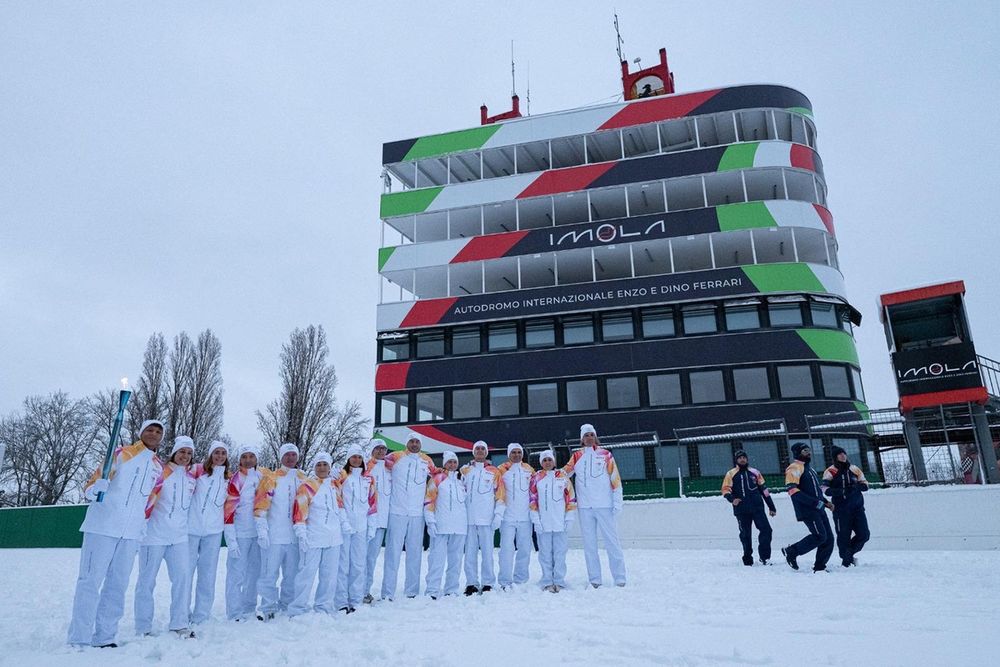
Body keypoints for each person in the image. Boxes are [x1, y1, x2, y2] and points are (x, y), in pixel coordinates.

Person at [68, 419, 165, 648]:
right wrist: (95, 490)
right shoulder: (122, 453)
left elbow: (151, 501)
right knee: (90, 581)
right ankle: (79, 637)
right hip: (103, 526)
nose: (153, 434)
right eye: (149, 430)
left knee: (118, 584)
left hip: (130, 533)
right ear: (141, 432)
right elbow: (91, 484)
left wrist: (142, 524)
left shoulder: (158, 467)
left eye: (158, 431)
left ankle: (105, 636)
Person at [135, 436, 198, 637]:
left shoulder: (191, 479)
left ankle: (179, 623)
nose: (185, 456)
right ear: (174, 452)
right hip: (153, 536)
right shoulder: (160, 472)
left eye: (189, 453)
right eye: (182, 452)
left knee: (182, 579)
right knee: (146, 581)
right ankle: (143, 627)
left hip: (179, 538)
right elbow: (145, 499)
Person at [288, 452, 353, 616]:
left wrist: (345, 523)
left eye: (325, 465)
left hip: (334, 538)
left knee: (329, 576)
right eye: (319, 465)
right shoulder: (307, 486)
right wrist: (301, 533)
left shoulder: (334, 485)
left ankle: (323, 606)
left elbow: (340, 507)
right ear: (314, 467)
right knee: (306, 574)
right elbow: (299, 511)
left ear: (330, 467)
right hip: (313, 538)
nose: (322, 468)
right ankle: (298, 608)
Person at [562, 424, 627, 587]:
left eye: (592, 435)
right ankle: (595, 579)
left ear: (595, 437)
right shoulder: (577, 456)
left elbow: (615, 479)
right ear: (582, 439)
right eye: (586, 435)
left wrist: (617, 501)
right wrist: (547, 474)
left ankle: (620, 577)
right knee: (589, 544)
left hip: (604, 505)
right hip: (585, 507)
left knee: (612, 542)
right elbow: (564, 474)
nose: (589, 438)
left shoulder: (606, 455)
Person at [381, 432, 438, 600]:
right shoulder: (395, 457)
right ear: (407, 443)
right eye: (411, 441)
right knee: (392, 553)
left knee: (415, 553)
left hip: (416, 514)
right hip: (397, 512)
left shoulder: (427, 460)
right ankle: (387, 592)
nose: (414, 444)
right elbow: (376, 463)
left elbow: (437, 474)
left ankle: (412, 591)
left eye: (417, 442)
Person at [254, 442, 307, 619]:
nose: (290, 458)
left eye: (293, 455)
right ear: (281, 457)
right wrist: (262, 529)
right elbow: (261, 506)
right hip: (275, 535)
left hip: (294, 536)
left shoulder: (303, 478)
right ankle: (268, 606)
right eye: (287, 455)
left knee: (292, 574)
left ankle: (287, 603)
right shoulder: (272, 478)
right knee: (269, 573)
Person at [187, 440, 230, 625]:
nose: (219, 456)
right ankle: (182, 611)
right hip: (191, 529)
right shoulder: (197, 471)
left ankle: (202, 614)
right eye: (216, 452)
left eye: (223, 453)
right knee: (185, 573)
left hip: (213, 531)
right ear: (211, 454)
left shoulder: (228, 479)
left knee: (207, 574)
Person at [223, 444, 267, 621]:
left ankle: (249, 608)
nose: (248, 460)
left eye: (251, 456)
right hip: (240, 534)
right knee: (236, 574)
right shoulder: (236, 480)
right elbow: (228, 512)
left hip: (257, 535)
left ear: (256, 459)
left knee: (254, 574)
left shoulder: (262, 477)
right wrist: (231, 540)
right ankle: (234, 612)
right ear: (239, 459)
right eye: (244, 457)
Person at [334, 444, 377, 613]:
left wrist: (371, 526)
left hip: (361, 527)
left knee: (359, 565)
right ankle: (341, 601)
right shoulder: (342, 476)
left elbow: (373, 503)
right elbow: (337, 500)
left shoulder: (368, 479)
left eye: (359, 457)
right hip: (345, 527)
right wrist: (344, 522)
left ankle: (356, 600)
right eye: (353, 457)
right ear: (348, 459)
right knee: (343, 565)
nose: (357, 460)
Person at [460, 440, 504, 595]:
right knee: (469, 553)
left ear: (486, 452)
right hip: (469, 519)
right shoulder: (465, 470)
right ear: (473, 452)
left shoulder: (494, 471)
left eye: (482, 449)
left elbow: (500, 494)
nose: (480, 451)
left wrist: (498, 514)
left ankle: (488, 583)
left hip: (487, 518)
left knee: (487, 553)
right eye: (477, 449)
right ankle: (471, 583)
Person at [782, 442, 835, 572]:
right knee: (819, 536)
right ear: (797, 453)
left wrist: (825, 502)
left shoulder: (810, 469)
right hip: (808, 509)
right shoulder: (794, 468)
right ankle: (792, 551)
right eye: (805, 451)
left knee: (828, 539)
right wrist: (814, 503)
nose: (808, 453)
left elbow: (816, 491)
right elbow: (793, 491)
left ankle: (820, 567)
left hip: (819, 508)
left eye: (809, 450)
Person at [721, 447, 777, 566]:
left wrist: (771, 507)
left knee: (767, 530)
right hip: (742, 509)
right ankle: (747, 558)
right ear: (736, 460)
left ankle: (765, 557)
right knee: (745, 534)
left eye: (744, 457)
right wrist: (732, 499)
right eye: (740, 458)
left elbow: (764, 490)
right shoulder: (731, 473)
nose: (742, 460)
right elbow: (725, 489)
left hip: (757, 508)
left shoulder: (755, 472)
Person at [529, 450, 576, 592]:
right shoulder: (536, 478)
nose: (547, 462)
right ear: (541, 463)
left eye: (550, 460)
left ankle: (559, 581)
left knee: (560, 553)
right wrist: (536, 520)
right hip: (543, 523)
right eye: (544, 460)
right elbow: (532, 500)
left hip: (560, 522)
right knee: (545, 554)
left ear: (554, 461)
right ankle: (547, 581)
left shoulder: (562, 477)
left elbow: (571, 498)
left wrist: (569, 517)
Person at [424, 451, 467, 598]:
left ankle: (451, 588)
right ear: (444, 464)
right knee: (437, 559)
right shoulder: (437, 479)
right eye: (449, 462)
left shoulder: (461, 481)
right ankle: (432, 589)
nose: (452, 464)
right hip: (441, 525)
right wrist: (430, 520)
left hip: (459, 526)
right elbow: (429, 500)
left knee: (456, 560)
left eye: (454, 462)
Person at [822, 445, 870, 567]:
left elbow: (865, 484)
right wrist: (841, 491)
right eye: (840, 454)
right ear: (835, 457)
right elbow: (824, 489)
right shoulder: (830, 471)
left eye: (844, 453)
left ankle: (848, 554)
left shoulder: (854, 469)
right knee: (843, 536)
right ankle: (846, 560)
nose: (843, 456)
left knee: (864, 534)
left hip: (857, 508)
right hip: (840, 510)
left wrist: (856, 487)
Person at [497, 443, 534, 590]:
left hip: (525, 517)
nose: (517, 455)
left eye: (519, 452)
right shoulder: (501, 469)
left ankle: (521, 579)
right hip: (507, 517)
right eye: (513, 452)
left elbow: (534, 490)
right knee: (506, 549)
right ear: (508, 454)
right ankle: (505, 580)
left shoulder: (529, 469)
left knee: (524, 549)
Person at [363, 439, 391, 603]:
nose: (381, 451)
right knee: (361, 557)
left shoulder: (389, 469)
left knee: (371, 558)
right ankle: (356, 590)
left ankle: (365, 590)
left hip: (381, 521)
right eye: (377, 448)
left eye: (383, 448)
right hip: (366, 521)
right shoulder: (366, 467)